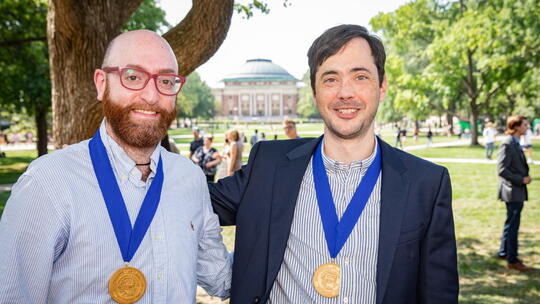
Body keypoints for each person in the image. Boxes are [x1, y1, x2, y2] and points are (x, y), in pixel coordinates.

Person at [209, 24, 458, 303]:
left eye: (360, 76)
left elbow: (438, 293)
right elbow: (190, 202)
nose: (345, 93)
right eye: (330, 79)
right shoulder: (269, 165)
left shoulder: (426, 182)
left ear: (382, 85)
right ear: (315, 93)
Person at [0, 30, 231, 302]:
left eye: (166, 81)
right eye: (133, 77)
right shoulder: (48, 183)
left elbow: (223, 278)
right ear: (101, 83)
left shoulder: (189, 178)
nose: (151, 96)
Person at [497, 115, 533, 272]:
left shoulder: (516, 143)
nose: (527, 127)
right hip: (512, 192)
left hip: (516, 191)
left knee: (510, 223)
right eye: (525, 124)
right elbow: (502, 170)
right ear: (516, 126)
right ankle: (513, 260)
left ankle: (504, 252)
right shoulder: (508, 143)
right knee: (513, 226)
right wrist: (521, 179)